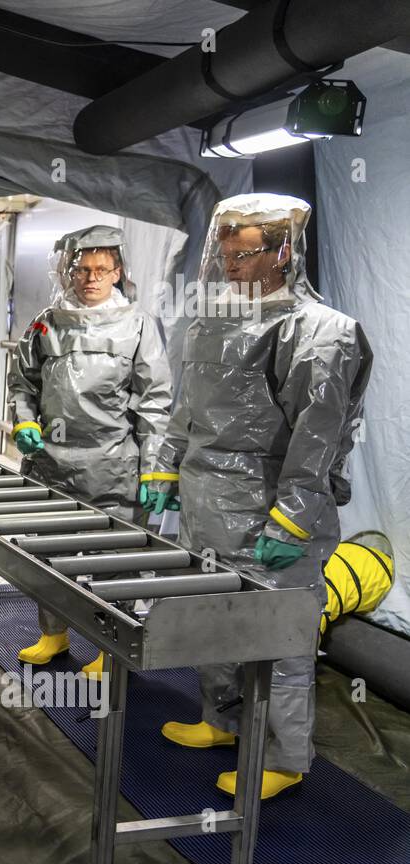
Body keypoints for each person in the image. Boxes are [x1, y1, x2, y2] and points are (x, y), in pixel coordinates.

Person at [146, 194, 372, 799]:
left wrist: (292, 519)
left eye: (245, 254)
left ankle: (283, 753)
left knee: (277, 634)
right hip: (206, 503)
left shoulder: (321, 332)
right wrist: (167, 468)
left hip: (268, 510)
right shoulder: (210, 321)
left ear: (284, 251)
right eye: (225, 253)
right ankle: (222, 721)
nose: (232, 265)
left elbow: (318, 435)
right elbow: (184, 406)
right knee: (216, 619)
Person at [8, 225, 172, 676]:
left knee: (113, 562)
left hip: (112, 463)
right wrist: (23, 420)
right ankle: (53, 635)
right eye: (82, 269)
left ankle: (109, 647)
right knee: (47, 554)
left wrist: (155, 469)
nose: (91, 278)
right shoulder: (47, 321)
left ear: (118, 271)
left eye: (102, 269)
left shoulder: (139, 325)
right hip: (50, 463)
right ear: (69, 271)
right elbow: (24, 379)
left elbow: (156, 401)